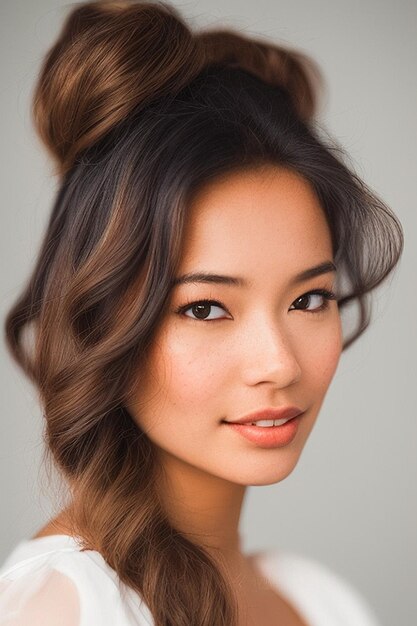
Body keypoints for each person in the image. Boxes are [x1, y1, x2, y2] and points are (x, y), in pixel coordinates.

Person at [0, 1, 403, 625]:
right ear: (100, 317)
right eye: (207, 307)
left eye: (308, 299)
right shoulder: (65, 607)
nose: (279, 362)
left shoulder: (322, 604)